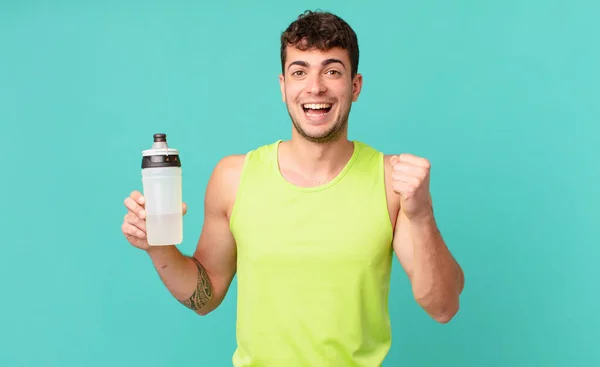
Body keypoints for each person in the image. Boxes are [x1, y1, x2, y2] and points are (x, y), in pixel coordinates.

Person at [122, 9, 464, 366]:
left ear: (355, 86)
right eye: (300, 71)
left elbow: (444, 306)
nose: (315, 87)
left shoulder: (392, 181)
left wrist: (422, 215)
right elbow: (205, 297)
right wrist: (157, 248)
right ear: (283, 87)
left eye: (332, 71)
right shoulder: (233, 178)